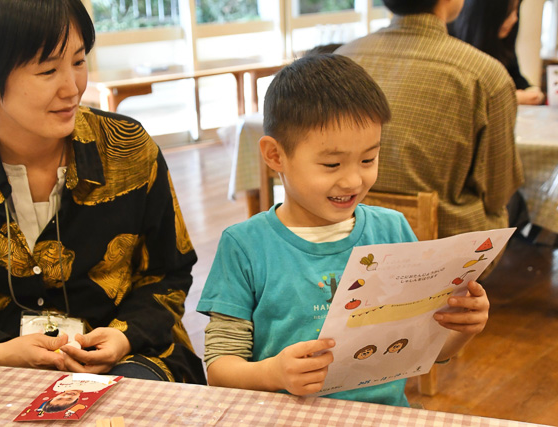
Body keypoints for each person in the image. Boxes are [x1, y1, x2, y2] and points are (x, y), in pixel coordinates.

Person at [0, 0, 205, 385]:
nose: (72, 88)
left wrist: (123, 337)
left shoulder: (127, 147)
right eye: (48, 70)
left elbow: (168, 272)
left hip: (130, 356)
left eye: (79, 61)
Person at [196, 54, 490, 406]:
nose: (353, 180)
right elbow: (219, 370)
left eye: (368, 159)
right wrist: (273, 373)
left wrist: (462, 328)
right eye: (332, 164)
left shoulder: (392, 230)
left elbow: (427, 351)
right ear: (275, 155)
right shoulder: (245, 246)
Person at [337, 0, 524, 266]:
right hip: (444, 254)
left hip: (345, 236)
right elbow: (498, 193)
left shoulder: (341, 60)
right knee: (505, 208)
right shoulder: (486, 74)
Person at [449, 0, 545, 105]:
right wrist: (513, 98)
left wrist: (532, 91)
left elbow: (517, 78)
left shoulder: (503, 47)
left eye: (516, 11)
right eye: (511, 11)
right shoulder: (453, 48)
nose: (515, 18)